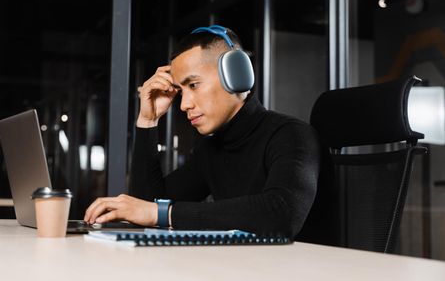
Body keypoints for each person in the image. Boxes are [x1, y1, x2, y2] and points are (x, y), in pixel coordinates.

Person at [84, 25, 321, 238]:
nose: (184, 104)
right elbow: (148, 206)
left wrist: (163, 213)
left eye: (194, 85)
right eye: (180, 90)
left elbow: (282, 213)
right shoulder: (212, 149)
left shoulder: (291, 134)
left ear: (235, 75)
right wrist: (148, 120)